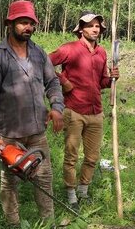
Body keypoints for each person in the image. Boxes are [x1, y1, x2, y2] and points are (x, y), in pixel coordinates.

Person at [0, 0, 64, 225]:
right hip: (9, 133)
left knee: (44, 178)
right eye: (22, 22)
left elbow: (53, 83)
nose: (27, 27)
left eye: (31, 23)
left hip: (37, 130)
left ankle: (49, 226)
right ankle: (14, 227)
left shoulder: (39, 54)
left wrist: (57, 107)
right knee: (10, 182)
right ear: (10, 23)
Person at [49, 12, 119, 208]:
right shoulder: (69, 49)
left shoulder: (102, 53)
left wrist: (112, 78)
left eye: (98, 26)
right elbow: (44, 62)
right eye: (90, 26)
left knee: (92, 157)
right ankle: (71, 195)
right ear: (81, 29)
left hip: (95, 112)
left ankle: (83, 190)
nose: (95, 29)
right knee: (71, 155)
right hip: (74, 111)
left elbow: (100, 82)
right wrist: (63, 81)